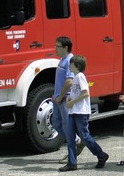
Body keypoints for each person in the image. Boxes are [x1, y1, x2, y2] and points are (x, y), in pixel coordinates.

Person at [60, 55, 110, 172]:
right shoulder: (76, 77)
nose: (69, 66)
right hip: (73, 111)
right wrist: (69, 99)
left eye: (71, 64)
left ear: (77, 66)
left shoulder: (80, 76)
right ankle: (72, 163)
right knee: (70, 136)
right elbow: (76, 93)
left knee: (84, 136)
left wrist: (72, 102)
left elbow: (85, 93)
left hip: (81, 111)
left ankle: (101, 155)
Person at [53, 36, 84, 164]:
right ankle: (77, 141)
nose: (55, 49)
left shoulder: (70, 61)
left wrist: (60, 96)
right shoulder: (62, 60)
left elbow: (69, 81)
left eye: (58, 46)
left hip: (65, 99)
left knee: (67, 126)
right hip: (58, 98)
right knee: (56, 124)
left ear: (65, 47)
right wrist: (55, 95)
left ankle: (72, 156)